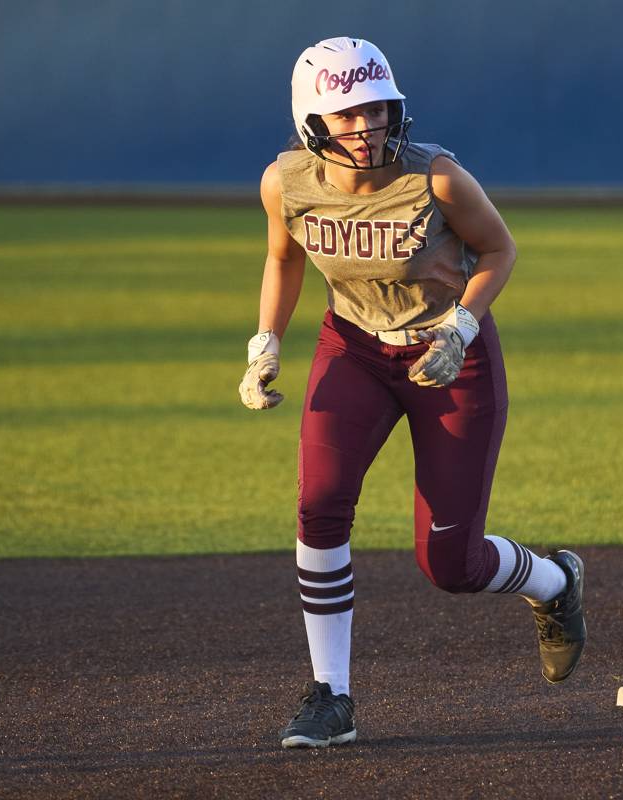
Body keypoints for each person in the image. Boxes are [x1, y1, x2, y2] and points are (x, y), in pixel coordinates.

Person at [238, 37, 587, 749]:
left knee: (451, 566)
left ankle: (555, 582)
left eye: (376, 109)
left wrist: (462, 325)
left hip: (449, 355)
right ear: (311, 122)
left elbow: (500, 250)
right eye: (347, 114)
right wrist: (265, 341)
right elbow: (282, 257)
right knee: (319, 505)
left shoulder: (438, 178)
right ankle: (331, 695)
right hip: (354, 348)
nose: (366, 126)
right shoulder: (286, 182)